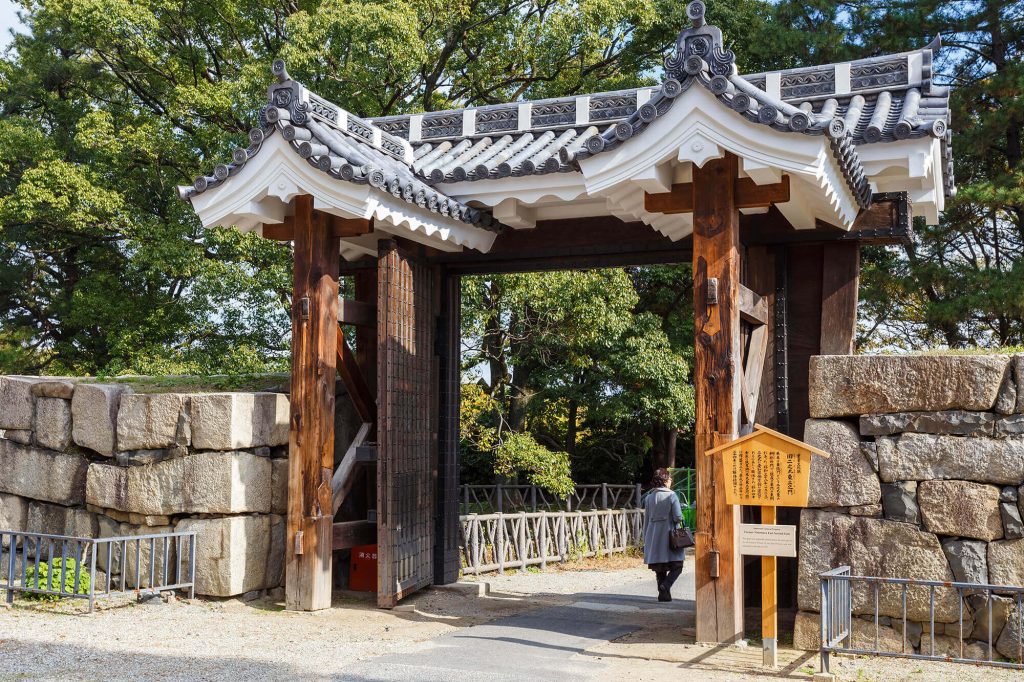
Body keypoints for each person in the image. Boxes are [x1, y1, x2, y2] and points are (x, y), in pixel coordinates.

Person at [642, 467, 685, 602]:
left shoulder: (649, 498)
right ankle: (666, 585)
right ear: (665, 480)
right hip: (669, 535)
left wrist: (645, 538)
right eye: (670, 478)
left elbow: (647, 519)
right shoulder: (672, 496)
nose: (671, 481)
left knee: (659, 566)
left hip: (654, 535)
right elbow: (678, 516)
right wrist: (681, 518)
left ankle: (664, 595)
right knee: (677, 565)